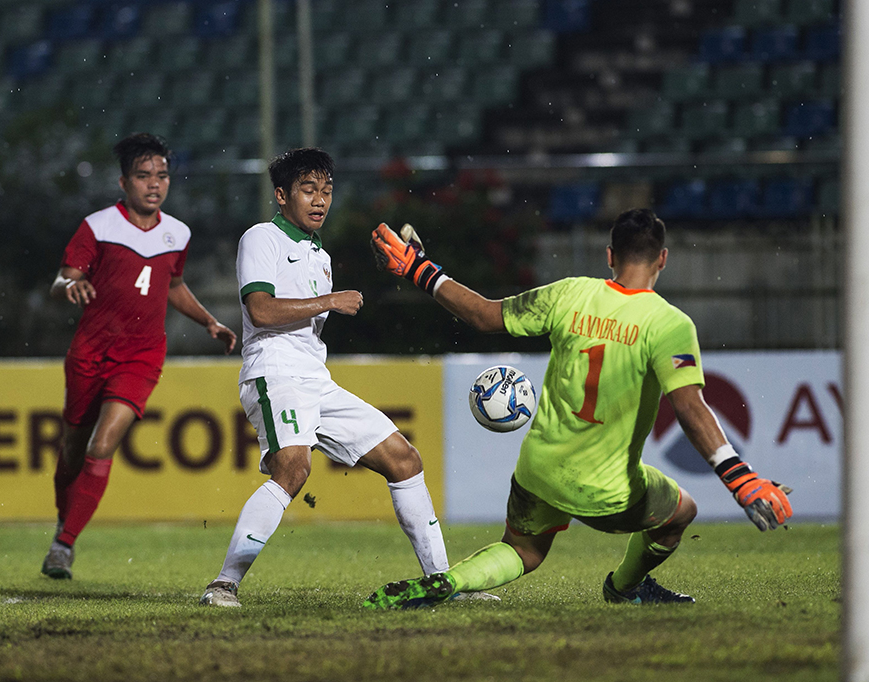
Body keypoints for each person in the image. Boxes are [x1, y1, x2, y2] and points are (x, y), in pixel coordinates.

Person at [363, 208, 793, 610]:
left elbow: (484, 316)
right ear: (662, 259)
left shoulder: (570, 294)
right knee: (681, 513)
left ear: (610, 256)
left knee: (523, 550)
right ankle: (624, 588)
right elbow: (689, 408)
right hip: (605, 490)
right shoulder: (668, 324)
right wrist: (742, 480)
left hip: (539, 470)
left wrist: (420, 269)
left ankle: (450, 581)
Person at [199, 148, 488, 607]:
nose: (319, 200)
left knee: (404, 459)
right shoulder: (261, 237)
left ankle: (443, 583)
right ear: (281, 195)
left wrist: (380, 273)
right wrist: (328, 302)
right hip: (274, 372)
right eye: (308, 190)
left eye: (326, 191)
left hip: (315, 377)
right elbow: (260, 309)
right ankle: (223, 584)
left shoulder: (321, 255)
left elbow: (335, 301)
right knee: (293, 467)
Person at [42, 132, 237, 580]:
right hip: (90, 352)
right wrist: (69, 286)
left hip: (141, 355)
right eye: (144, 175)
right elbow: (61, 280)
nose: (155, 184)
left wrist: (208, 321)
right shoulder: (98, 227)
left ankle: (63, 545)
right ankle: (63, 521)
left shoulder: (177, 233)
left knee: (102, 444)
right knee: (72, 451)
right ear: (124, 182)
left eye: (162, 175)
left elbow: (172, 284)